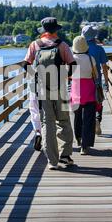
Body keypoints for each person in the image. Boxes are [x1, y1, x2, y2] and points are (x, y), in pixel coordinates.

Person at [23, 17, 77, 170]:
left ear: (44, 30)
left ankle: (52, 161)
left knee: (48, 123)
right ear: (56, 30)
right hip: (60, 88)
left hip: (41, 89)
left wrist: (35, 76)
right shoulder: (63, 45)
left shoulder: (35, 45)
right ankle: (65, 155)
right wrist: (66, 78)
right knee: (64, 121)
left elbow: (25, 64)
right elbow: (73, 65)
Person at [70, 36, 98, 155]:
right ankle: (85, 146)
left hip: (76, 91)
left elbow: (67, 75)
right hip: (89, 91)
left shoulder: (71, 59)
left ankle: (78, 138)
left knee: (77, 118)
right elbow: (95, 75)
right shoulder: (91, 58)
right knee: (89, 119)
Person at [82, 26, 109, 136]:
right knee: (98, 102)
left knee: (86, 104)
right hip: (97, 81)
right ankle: (98, 119)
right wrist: (106, 82)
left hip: (84, 82)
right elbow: (104, 67)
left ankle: (89, 124)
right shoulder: (99, 49)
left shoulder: (80, 49)